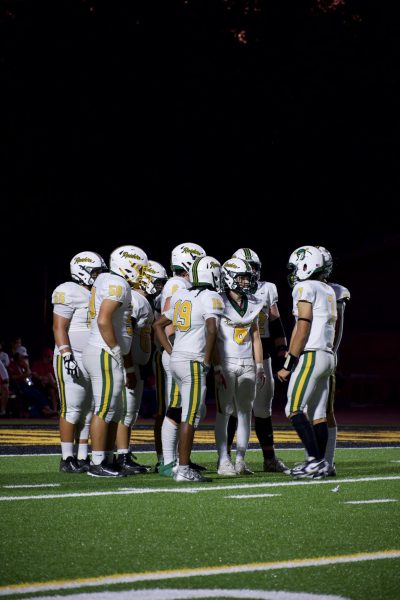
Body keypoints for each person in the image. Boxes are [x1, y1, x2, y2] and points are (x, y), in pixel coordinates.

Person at [154, 255, 224, 482]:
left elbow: (158, 325)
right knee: (190, 415)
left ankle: (175, 463)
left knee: (180, 411)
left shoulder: (181, 294)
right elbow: (212, 330)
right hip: (193, 361)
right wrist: (207, 360)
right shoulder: (211, 296)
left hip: (177, 360)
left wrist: (170, 350)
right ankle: (183, 468)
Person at [82, 245, 146, 477]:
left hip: (101, 350)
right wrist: (117, 351)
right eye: (139, 267)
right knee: (106, 408)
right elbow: (103, 320)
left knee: (115, 409)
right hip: (103, 351)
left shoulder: (107, 280)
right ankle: (98, 462)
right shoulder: (117, 284)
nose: (142, 272)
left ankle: (107, 458)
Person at [277, 245, 336, 479]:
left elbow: (302, 327)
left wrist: (288, 364)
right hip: (328, 355)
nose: (292, 273)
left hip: (312, 354)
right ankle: (321, 464)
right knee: (319, 414)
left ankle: (314, 461)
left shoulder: (304, 287)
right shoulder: (328, 289)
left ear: (305, 265)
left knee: (293, 408)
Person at [231, 247, 289, 473]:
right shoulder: (225, 291)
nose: (249, 273)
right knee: (233, 410)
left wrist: (282, 350)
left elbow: (275, 321)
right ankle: (225, 458)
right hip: (234, 352)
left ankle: (269, 457)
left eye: (252, 268)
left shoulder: (267, 289)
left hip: (260, 351)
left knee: (263, 408)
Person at [52, 250, 107, 473]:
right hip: (72, 356)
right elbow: (59, 327)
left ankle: (83, 456)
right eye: (93, 271)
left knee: (89, 409)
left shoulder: (96, 292)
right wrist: (66, 355)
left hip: (92, 357)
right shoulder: (68, 290)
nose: (97, 275)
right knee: (72, 408)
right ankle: (67, 458)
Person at [157, 242, 206, 476]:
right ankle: (169, 461)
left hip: (180, 352)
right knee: (177, 408)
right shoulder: (177, 284)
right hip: (181, 353)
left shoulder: (181, 285)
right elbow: (168, 322)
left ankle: (178, 458)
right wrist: (171, 347)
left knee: (186, 408)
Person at [213, 258, 266, 476]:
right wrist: (216, 367)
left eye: (248, 277)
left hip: (247, 364)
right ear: (229, 278)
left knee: (245, 412)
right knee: (224, 412)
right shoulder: (217, 301)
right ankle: (223, 459)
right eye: (242, 277)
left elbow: (255, 336)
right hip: (226, 363)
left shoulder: (252, 302)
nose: (246, 282)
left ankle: (240, 459)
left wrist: (260, 365)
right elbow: (212, 337)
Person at [317, 246, 350, 476]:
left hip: (324, 355)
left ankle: (326, 461)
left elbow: (336, 331)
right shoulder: (304, 289)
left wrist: (330, 354)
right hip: (312, 355)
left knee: (324, 410)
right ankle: (318, 459)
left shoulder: (335, 292)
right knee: (308, 410)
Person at [140, 261, 168, 470]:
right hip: (162, 354)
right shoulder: (146, 301)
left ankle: (172, 455)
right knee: (163, 408)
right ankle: (162, 457)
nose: (159, 287)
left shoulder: (156, 298)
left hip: (167, 354)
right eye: (156, 283)